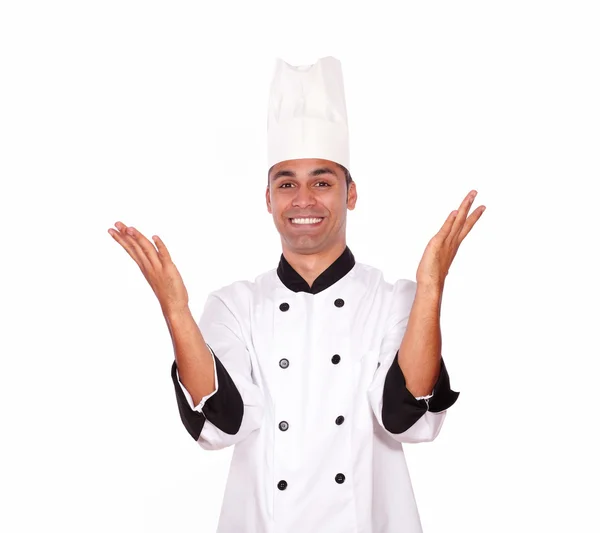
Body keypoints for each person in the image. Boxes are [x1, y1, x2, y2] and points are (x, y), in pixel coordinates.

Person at [108, 56, 485, 533]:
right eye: (286, 183)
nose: (303, 200)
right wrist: (176, 312)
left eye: (322, 182)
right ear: (268, 198)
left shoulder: (396, 301)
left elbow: (403, 418)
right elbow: (224, 424)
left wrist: (432, 288)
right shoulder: (234, 306)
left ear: (351, 193)